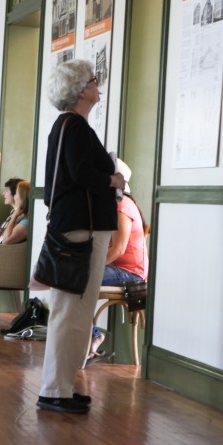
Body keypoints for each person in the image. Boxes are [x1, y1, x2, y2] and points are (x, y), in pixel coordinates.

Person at [37, 59, 124, 414]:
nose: (97, 84)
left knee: (75, 310)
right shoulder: (74, 126)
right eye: (93, 79)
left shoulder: (67, 125)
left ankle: (62, 386)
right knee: (71, 310)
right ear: (80, 90)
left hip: (76, 225)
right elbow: (81, 172)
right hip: (81, 229)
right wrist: (112, 180)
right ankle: (54, 389)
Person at [88, 159, 148, 361]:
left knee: (78, 278)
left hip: (131, 274)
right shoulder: (120, 204)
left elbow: (120, 249)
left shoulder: (122, 205)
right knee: (75, 276)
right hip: (121, 270)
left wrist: (94, 266)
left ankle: (92, 336)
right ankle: (88, 338)